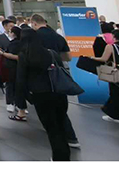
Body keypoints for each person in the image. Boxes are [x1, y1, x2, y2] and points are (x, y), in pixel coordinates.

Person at [15, 28, 70, 161]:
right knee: (61, 125)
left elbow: (21, 79)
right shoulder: (51, 53)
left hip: (40, 95)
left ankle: (58, 157)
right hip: (58, 92)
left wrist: (25, 98)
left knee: (51, 128)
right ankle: (64, 155)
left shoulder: (24, 55)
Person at [29, 14, 80, 148]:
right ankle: (71, 138)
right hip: (58, 77)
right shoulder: (58, 37)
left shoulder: (33, 37)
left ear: (34, 23)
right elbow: (68, 57)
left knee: (46, 113)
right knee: (60, 111)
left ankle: (58, 145)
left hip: (40, 78)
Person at [92, 25, 119, 123]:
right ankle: (112, 111)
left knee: (115, 93)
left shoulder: (111, 47)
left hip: (117, 71)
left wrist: (92, 58)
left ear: (114, 37)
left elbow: (104, 58)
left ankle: (114, 114)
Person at [0, 26, 26, 119]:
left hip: (11, 68)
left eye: (10, 31)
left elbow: (15, 56)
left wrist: (3, 53)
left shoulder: (14, 44)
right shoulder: (23, 43)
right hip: (20, 69)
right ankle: (20, 105)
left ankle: (11, 103)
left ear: (14, 33)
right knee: (19, 86)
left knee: (10, 85)